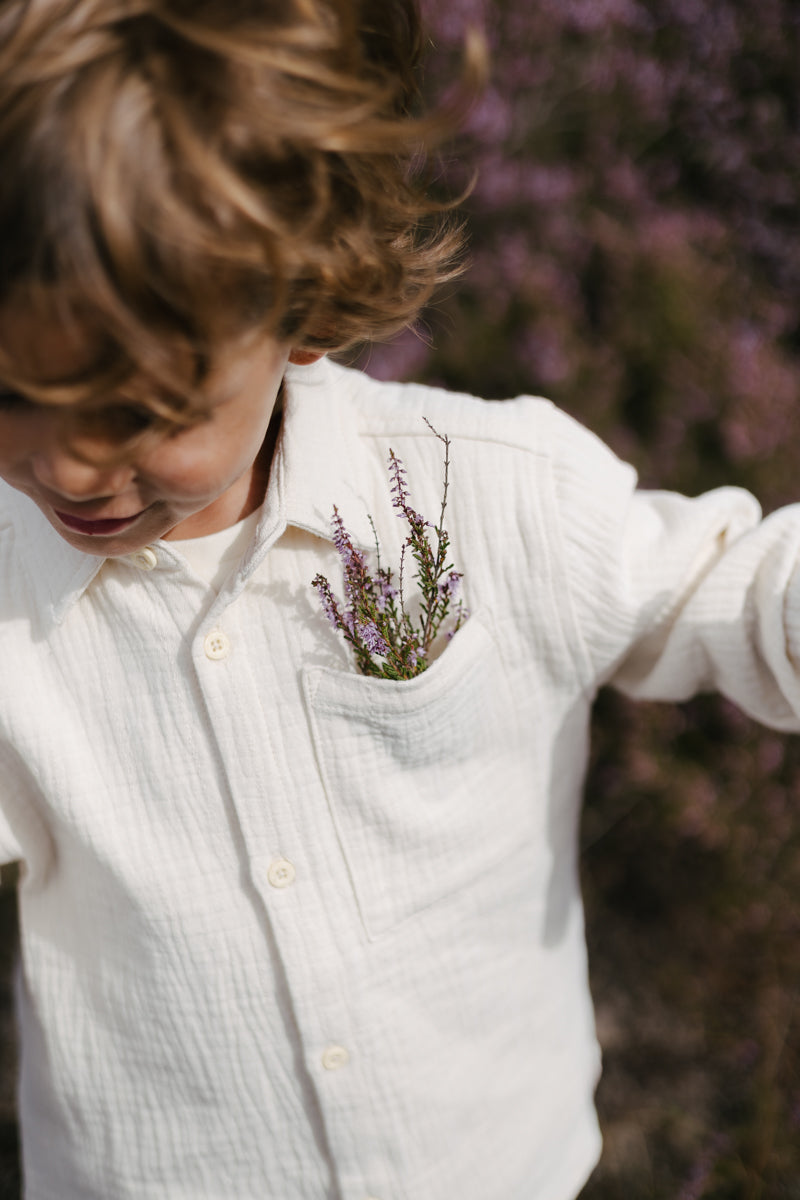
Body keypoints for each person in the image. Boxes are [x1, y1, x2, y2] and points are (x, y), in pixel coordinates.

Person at [0, 1, 798, 1198]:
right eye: (11, 393)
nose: (62, 466)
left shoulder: (484, 490)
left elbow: (719, 591)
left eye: (139, 410)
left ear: (306, 298)